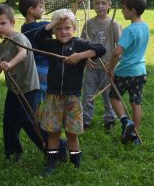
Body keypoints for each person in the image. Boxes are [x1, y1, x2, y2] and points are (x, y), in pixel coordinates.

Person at [34, 9, 105, 175]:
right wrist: (53, 22)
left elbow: (100, 48)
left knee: (72, 135)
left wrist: (80, 56)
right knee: (53, 133)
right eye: (58, 29)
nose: (63, 32)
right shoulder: (50, 44)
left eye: (67, 27)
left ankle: (76, 163)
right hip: (53, 97)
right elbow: (37, 37)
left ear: (73, 28)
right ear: (53, 30)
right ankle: (51, 162)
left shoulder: (79, 44)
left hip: (72, 97)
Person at [0, 3, 51, 161]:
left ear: (12, 22)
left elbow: (23, 54)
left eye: (3, 23)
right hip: (14, 89)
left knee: (28, 121)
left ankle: (53, 146)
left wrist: (9, 64)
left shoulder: (19, 38)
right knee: (9, 120)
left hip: (28, 87)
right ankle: (12, 150)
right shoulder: (1, 46)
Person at [18, 0, 84, 104]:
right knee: (47, 96)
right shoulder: (42, 26)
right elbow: (67, 19)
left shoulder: (24, 27)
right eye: (40, 7)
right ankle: (43, 117)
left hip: (31, 67)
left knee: (35, 95)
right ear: (31, 10)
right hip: (44, 67)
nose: (43, 10)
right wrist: (77, 3)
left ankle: (36, 117)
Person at [106, 0, 149, 145]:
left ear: (132, 10)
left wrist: (111, 68)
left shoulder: (129, 30)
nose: (123, 11)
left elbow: (117, 52)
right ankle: (135, 135)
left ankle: (125, 122)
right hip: (140, 72)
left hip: (125, 72)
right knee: (136, 103)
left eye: (124, 9)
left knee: (113, 96)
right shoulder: (145, 26)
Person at [81, 0, 122, 131]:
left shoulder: (114, 24)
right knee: (88, 94)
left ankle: (110, 119)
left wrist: (113, 65)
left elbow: (121, 48)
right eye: (97, 3)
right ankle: (85, 120)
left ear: (110, 5)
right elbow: (82, 44)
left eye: (103, 3)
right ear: (93, 5)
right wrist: (86, 59)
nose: (100, 6)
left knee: (108, 95)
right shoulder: (89, 24)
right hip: (92, 66)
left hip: (108, 68)